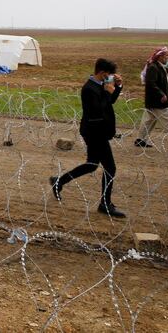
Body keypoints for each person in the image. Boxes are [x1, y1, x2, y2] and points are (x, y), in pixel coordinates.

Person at [49, 59, 126, 218]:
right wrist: (107, 92)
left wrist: (117, 87)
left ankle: (59, 182)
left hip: (99, 132)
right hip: (94, 132)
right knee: (110, 168)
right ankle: (105, 204)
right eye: (109, 75)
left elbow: (110, 102)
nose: (110, 78)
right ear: (102, 73)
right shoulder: (89, 89)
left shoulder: (100, 86)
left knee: (92, 164)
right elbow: (98, 111)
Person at [133, 47, 168, 151]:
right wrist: (161, 94)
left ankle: (140, 140)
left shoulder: (162, 67)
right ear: (160, 56)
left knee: (148, 121)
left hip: (155, 101)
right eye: (166, 55)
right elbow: (151, 83)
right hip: (157, 101)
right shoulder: (153, 67)